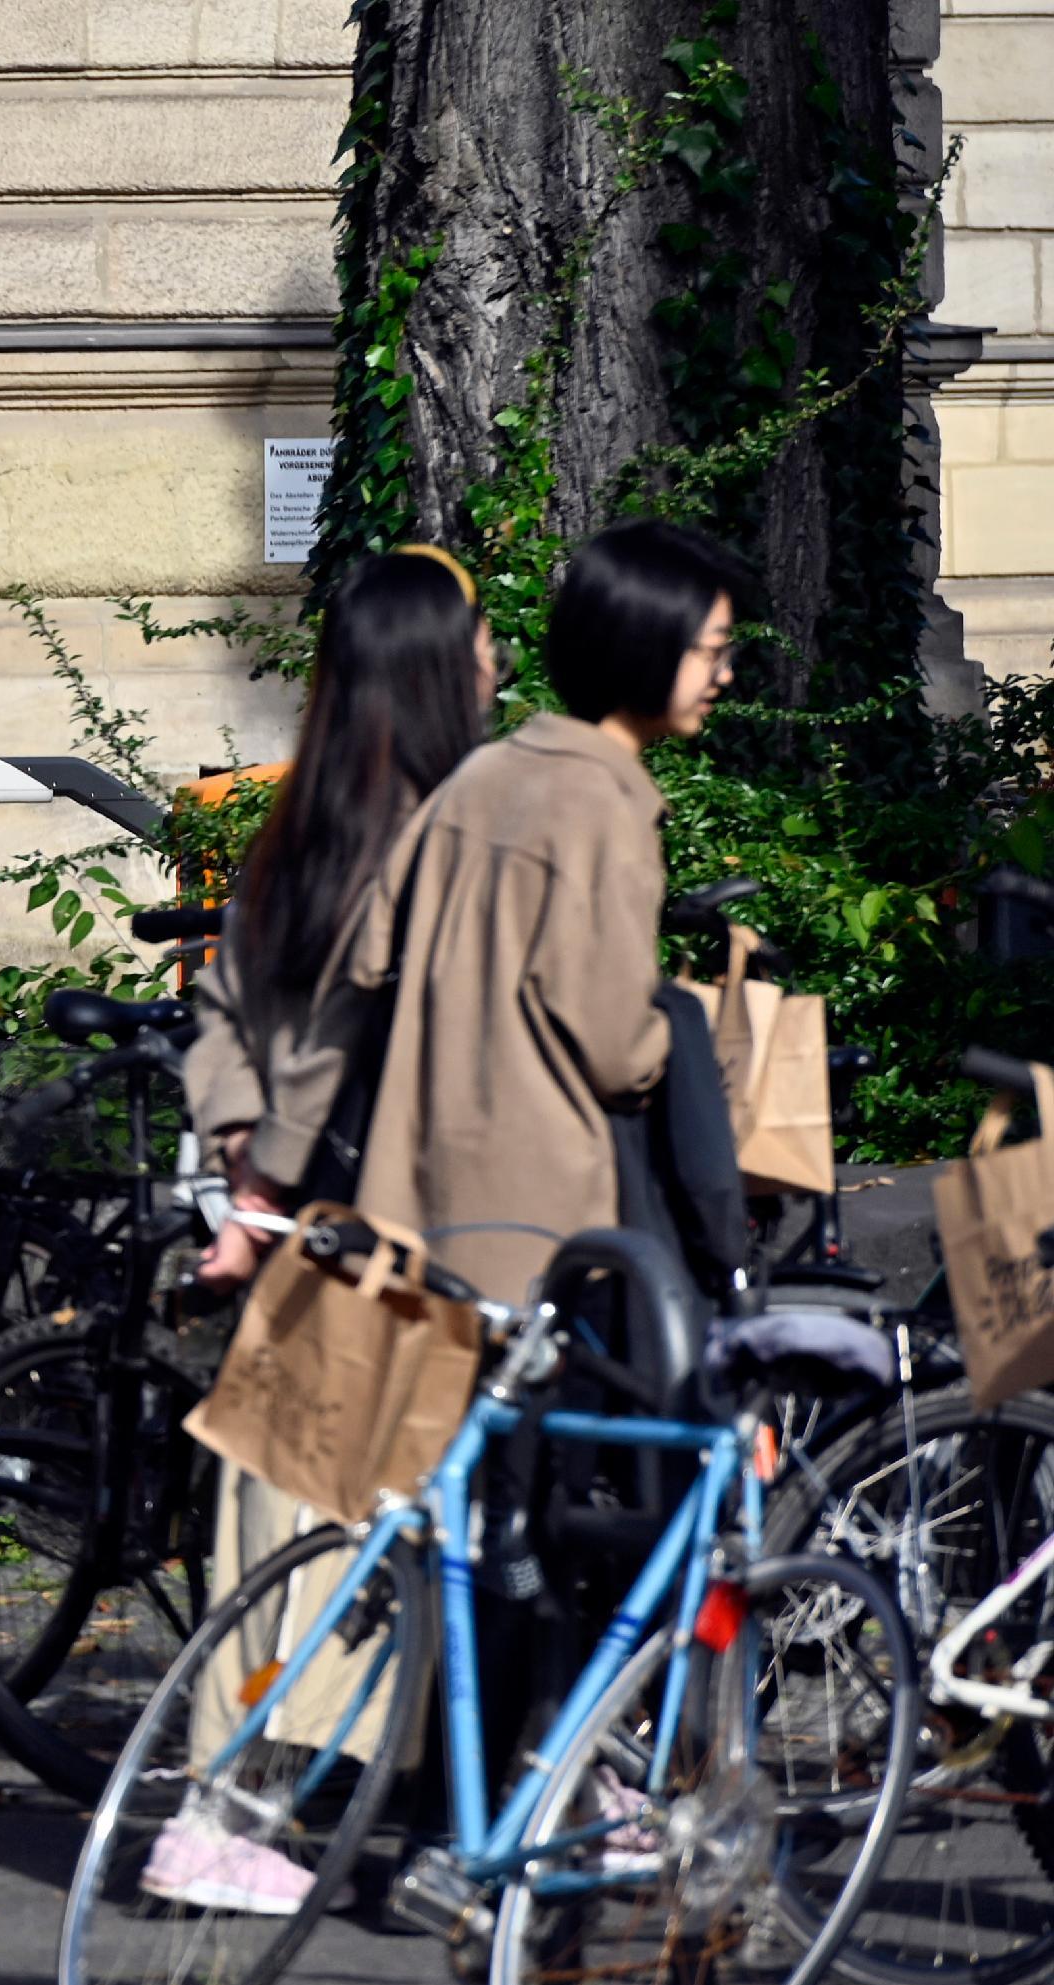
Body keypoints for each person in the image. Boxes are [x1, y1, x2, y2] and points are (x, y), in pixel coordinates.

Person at [154, 548, 494, 1908]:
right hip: (381, 1236)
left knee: (291, 1524)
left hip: (301, 1232)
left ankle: (282, 1813)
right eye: (475, 642)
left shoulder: (304, 823)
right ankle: (228, 1817)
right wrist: (276, 1185)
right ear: (429, 666)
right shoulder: (436, 838)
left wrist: (247, 1183)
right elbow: (375, 1051)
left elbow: (227, 1016)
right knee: (341, 1542)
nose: (492, 662)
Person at [342, 518, 747, 1303]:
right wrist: (683, 1021)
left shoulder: (482, 774)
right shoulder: (603, 807)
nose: (724, 675)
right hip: (546, 1212)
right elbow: (617, 1050)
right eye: (712, 649)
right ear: (645, 641)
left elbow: (368, 956)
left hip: (419, 1190)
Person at [185, 546, 497, 1289]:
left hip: (289, 1216)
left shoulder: (297, 834)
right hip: (399, 1229)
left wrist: (238, 1138)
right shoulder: (453, 837)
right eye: (485, 654)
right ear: (440, 674)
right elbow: (341, 1036)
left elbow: (223, 999)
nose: (494, 677)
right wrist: (262, 1179)